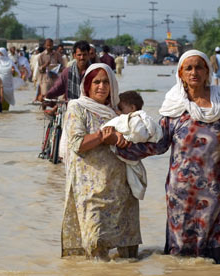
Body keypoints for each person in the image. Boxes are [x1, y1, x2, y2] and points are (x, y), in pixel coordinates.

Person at [116, 50, 220, 264]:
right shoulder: (174, 107)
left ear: (207, 71)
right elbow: (159, 144)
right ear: (180, 74)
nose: (194, 72)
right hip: (183, 193)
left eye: (199, 67)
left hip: (218, 189)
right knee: (179, 257)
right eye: (188, 68)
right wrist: (120, 147)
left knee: (215, 256)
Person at [61, 63, 141, 260]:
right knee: (96, 243)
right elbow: (77, 143)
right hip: (91, 190)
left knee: (127, 256)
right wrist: (101, 137)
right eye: (96, 82)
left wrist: (121, 139)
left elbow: (136, 140)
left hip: (120, 189)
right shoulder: (77, 107)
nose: (101, 86)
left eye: (106, 82)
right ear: (87, 85)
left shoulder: (116, 111)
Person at [103, 91, 162, 200]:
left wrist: (125, 137)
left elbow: (138, 133)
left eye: (120, 108)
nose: (117, 111)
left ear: (132, 108)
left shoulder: (135, 120)